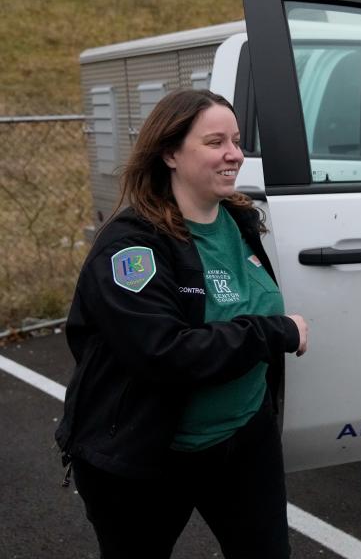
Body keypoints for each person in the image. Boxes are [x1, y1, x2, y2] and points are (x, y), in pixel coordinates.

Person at [55, 88, 308, 559]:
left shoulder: (239, 220)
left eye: (236, 140)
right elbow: (164, 352)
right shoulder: (131, 247)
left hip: (243, 439)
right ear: (170, 153)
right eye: (215, 142)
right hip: (148, 453)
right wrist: (278, 332)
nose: (234, 154)